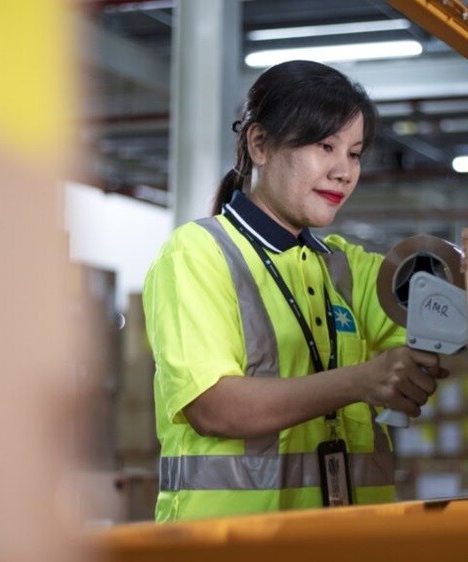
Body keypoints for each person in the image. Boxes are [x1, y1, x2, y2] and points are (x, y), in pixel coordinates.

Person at [143, 60, 446, 522]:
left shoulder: (342, 267)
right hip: (231, 548)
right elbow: (214, 407)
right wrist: (363, 379)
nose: (344, 171)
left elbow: (442, 288)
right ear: (260, 144)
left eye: (355, 153)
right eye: (326, 146)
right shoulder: (199, 254)